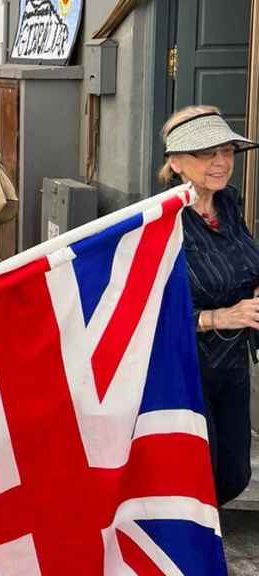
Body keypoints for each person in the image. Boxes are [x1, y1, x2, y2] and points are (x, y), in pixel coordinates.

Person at [158, 105, 259, 506]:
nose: (220, 162)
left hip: (233, 364)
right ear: (176, 163)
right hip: (185, 370)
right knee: (198, 478)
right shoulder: (162, 221)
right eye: (205, 153)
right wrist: (218, 317)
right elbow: (148, 309)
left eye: (227, 151)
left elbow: (244, 264)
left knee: (233, 474)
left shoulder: (228, 204)